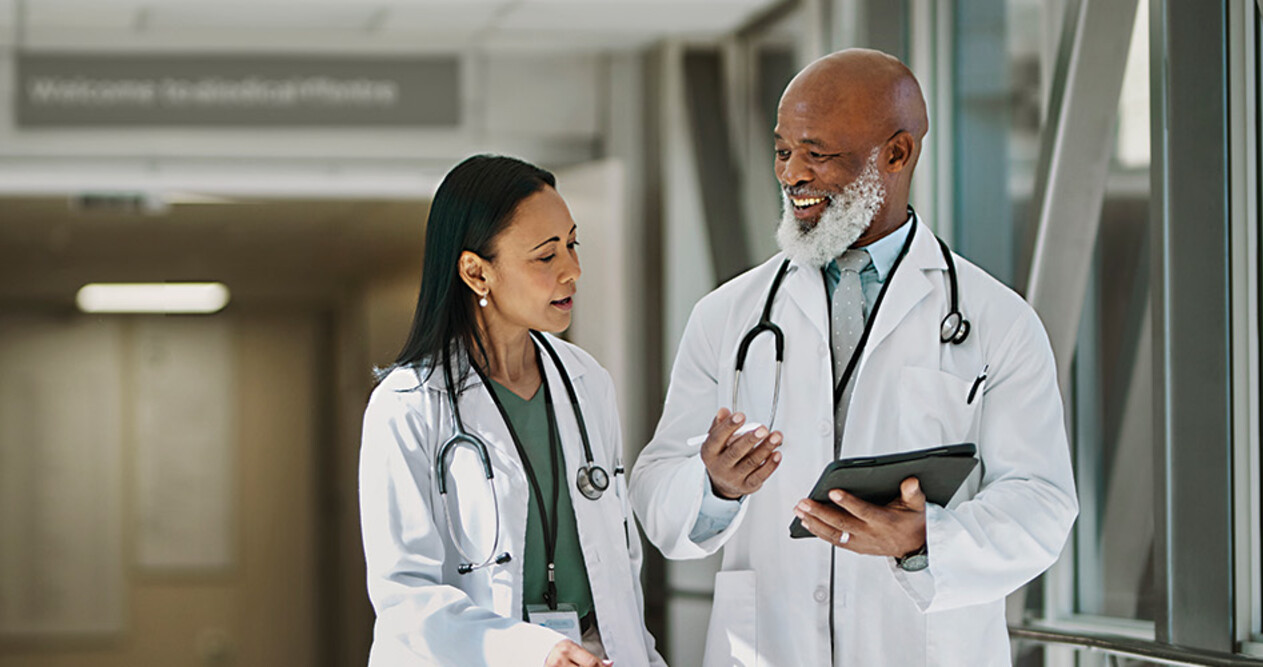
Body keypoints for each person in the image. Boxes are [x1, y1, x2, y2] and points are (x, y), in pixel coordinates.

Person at [630, 49, 1078, 665]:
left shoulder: (998, 321)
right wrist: (713, 485)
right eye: (783, 150)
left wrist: (926, 540)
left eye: (818, 153)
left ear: (896, 154)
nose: (792, 174)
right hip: (771, 645)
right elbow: (656, 488)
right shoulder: (726, 315)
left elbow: (1042, 502)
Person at [360, 155, 666, 667]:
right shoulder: (408, 404)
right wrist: (533, 650)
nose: (572, 270)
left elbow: (619, 568)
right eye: (546, 256)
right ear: (476, 272)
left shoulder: (587, 382)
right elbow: (406, 598)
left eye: (572, 245)